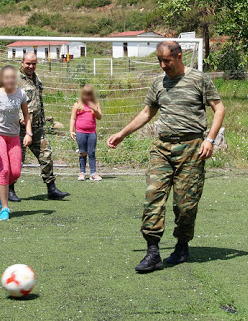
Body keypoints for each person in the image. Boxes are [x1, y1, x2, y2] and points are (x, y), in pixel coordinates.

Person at [107, 41, 226, 273]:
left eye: (167, 61)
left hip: (191, 149)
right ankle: (152, 252)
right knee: (153, 196)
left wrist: (209, 139)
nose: (163, 66)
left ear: (179, 56)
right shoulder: (158, 83)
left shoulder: (199, 80)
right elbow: (147, 112)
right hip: (162, 148)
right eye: (160, 61)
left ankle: (182, 246)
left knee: (185, 206)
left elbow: (219, 108)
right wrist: (122, 134)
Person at [8, 52, 69, 201]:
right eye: (28, 63)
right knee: (17, 160)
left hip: (37, 126)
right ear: (22, 62)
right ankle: (9, 190)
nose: (31, 66)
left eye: (33, 63)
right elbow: (7, 102)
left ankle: (51, 188)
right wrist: (19, 116)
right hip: (19, 129)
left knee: (46, 155)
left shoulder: (36, 78)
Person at [0, 65, 33, 221]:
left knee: (15, 173)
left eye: (13, 77)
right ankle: (5, 208)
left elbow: (26, 115)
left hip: (14, 136)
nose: (10, 80)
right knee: (4, 171)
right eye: (7, 77)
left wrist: (28, 133)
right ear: (2, 79)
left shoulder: (21, 94)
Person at [69, 84, 103, 181]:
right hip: (80, 133)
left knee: (91, 152)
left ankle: (93, 173)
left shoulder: (96, 104)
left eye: (89, 95)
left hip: (92, 133)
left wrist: (95, 109)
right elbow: (73, 118)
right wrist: (71, 130)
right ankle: (82, 172)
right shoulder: (77, 104)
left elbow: (99, 117)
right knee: (82, 152)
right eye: (85, 94)